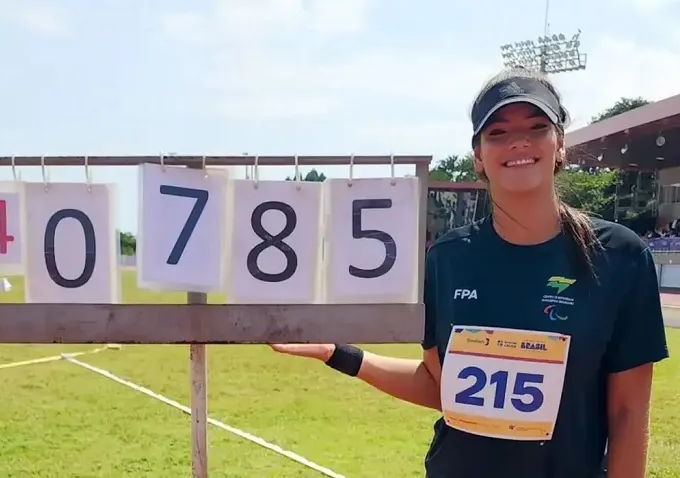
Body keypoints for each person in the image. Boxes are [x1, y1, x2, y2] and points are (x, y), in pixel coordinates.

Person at [270, 67, 669, 478]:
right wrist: (340, 353)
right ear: (478, 155)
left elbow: (628, 413)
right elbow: (441, 387)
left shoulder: (619, 256)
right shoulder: (446, 258)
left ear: (559, 145)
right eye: (497, 132)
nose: (518, 141)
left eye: (536, 127)